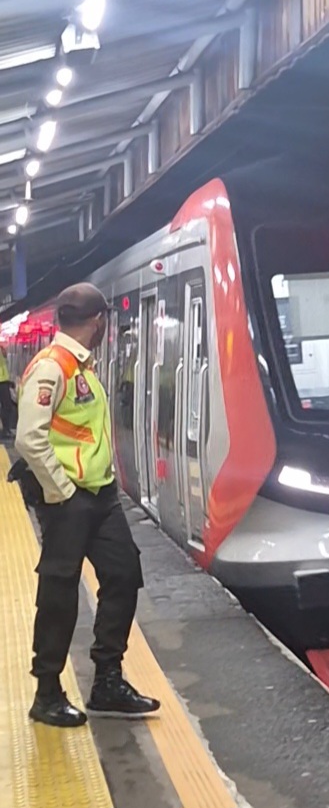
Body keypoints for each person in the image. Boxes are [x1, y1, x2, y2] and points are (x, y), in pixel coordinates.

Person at [15, 282, 159, 728]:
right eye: (103, 320)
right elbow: (28, 439)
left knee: (123, 574)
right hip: (69, 500)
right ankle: (48, 692)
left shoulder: (82, 366)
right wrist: (61, 490)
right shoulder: (51, 367)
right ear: (97, 322)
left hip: (102, 495)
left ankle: (107, 682)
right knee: (60, 592)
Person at [0, 343, 15, 438]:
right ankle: (5, 430)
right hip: (1, 381)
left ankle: (6, 430)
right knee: (7, 406)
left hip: (4, 380)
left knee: (7, 406)